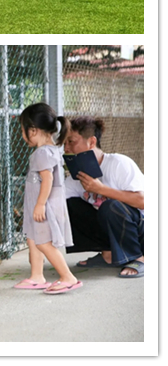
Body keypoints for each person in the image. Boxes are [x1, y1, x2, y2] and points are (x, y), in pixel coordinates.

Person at [63, 116, 144, 278]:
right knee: (68, 205)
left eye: (71, 141)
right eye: (64, 143)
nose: (66, 148)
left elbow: (143, 201)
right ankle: (108, 255)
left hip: (143, 231)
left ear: (91, 142)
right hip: (115, 230)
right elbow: (56, 201)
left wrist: (102, 189)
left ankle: (139, 258)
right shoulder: (76, 177)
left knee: (111, 206)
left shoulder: (119, 163)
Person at [15, 102, 80, 294]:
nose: (21, 134)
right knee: (33, 239)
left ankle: (68, 277)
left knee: (44, 242)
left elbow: (48, 178)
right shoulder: (51, 150)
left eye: (22, 130)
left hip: (44, 204)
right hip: (39, 203)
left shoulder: (42, 153)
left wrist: (40, 204)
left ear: (33, 130)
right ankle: (37, 276)